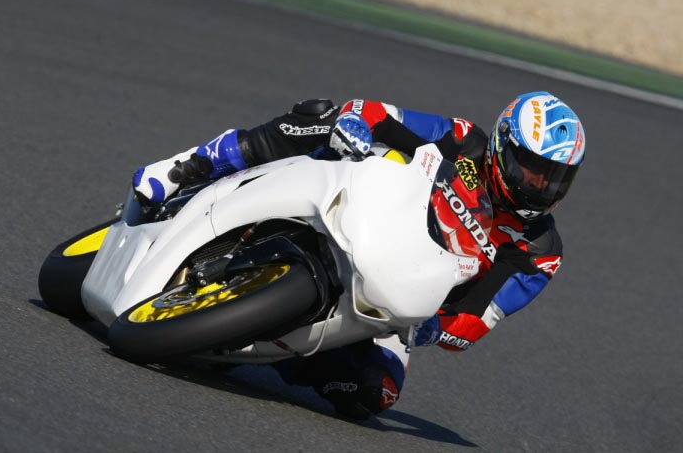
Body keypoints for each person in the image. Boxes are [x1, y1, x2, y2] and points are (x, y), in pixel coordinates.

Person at [132, 92, 586, 419]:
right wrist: (355, 124)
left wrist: (433, 329)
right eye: (533, 169)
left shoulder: (540, 250)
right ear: (503, 147)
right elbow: (379, 115)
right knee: (321, 115)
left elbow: (478, 315)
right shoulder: (464, 140)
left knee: (374, 393)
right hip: (364, 211)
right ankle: (188, 166)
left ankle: (271, 341)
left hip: (398, 301)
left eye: (555, 178)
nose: (541, 185)